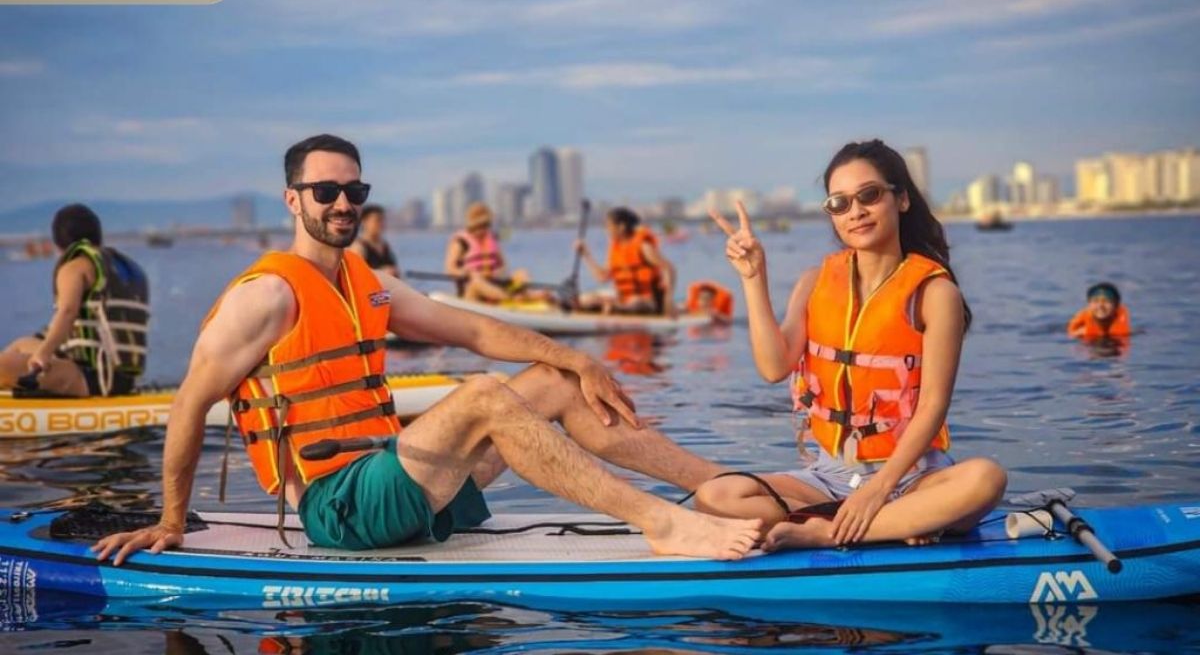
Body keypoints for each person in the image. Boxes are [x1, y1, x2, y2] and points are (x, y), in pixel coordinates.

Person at [93, 134, 761, 565]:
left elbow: (471, 329)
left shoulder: (366, 283)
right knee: (480, 396)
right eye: (326, 192)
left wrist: (577, 358)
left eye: (355, 190)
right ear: (293, 200)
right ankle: (661, 524)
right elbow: (187, 404)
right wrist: (171, 521)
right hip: (339, 506)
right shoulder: (265, 297)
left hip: (394, 476)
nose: (343, 202)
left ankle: (718, 487)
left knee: (554, 382)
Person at [694, 139, 1006, 552]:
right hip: (829, 478)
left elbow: (932, 407)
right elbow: (774, 367)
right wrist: (753, 277)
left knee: (985, 479)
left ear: (902, 200)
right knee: (714, 496)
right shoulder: (815, 282)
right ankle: (893, 525)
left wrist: (878, 491)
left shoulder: (935, 293)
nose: (855, 211)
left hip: (912, 477)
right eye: (839, 203)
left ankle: (826, 531)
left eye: (869, 195)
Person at [0, 204, 150, 398]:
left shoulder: (74, 268)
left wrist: (44, 353)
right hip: (120, 376)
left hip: (93, 378)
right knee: (22, 344)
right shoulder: (119, 266)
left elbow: (68, 312)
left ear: (58, 242)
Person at [575, 208, 677, 316]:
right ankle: (612, 308)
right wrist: (586, 255)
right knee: (585, 299)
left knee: (636, 301)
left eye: (609, 226)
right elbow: (602, 277)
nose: (606, 230)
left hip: (649, 302)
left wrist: (668, 300)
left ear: (621, 227)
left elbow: (669, 268)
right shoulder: (615, 249)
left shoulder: (643, 247)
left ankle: (614, 309)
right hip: (624, 299)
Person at [443, 202, 537, 304]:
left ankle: (528, 295)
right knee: (476, 282)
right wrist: (467, 273)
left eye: (486, 225)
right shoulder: (460, 242)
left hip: (495, 283)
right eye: (480, 226)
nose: (483, 230)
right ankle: (510, 298)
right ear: (472, 225)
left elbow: (503, 264)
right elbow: (450, 269)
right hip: (472, 288)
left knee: (522, 273)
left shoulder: (492, 238)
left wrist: (498, 273)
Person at [350, 204, 400, 277]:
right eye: (378, 220)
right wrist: (382, 272)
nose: (382, 224)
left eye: (383, 220)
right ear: (364, 222)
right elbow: (355, 275)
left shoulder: (384, 246)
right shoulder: (358, 248)